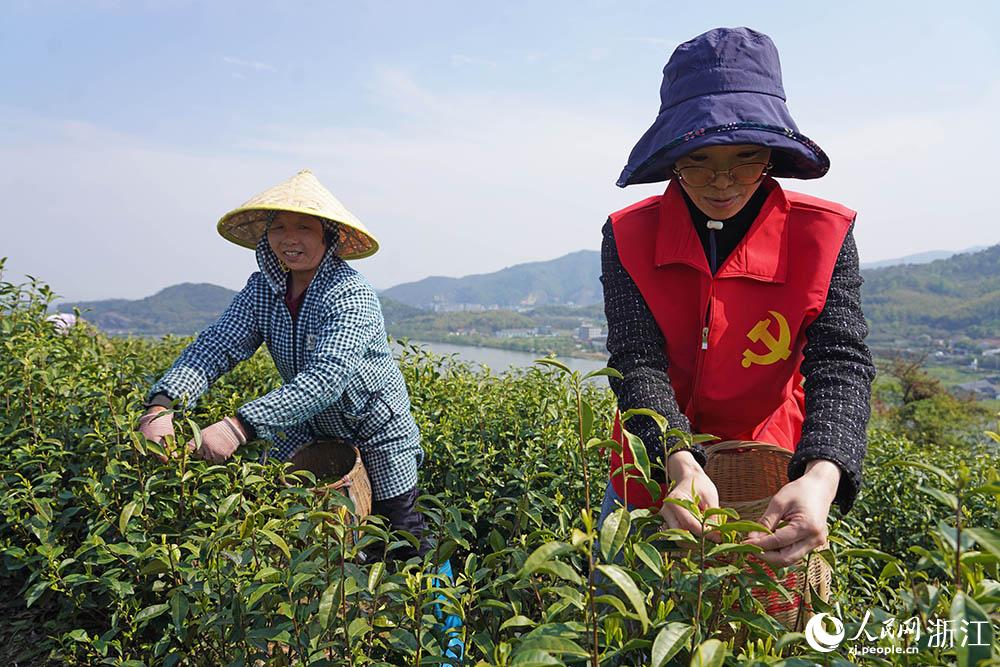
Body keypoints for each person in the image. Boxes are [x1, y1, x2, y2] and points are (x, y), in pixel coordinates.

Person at [136, 169, 463, 659]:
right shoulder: (261, 290)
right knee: (319, 539)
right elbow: (217, 346)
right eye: (279, 227)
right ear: (265, 236)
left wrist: (237, 426)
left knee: (404, 537)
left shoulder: (350, 294)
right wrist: (163, 403)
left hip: (377, 431)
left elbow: (328, 377)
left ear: (329, 237)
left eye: (304, 228)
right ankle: (352, 640)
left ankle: (446, 646)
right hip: (310, 430)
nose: (290, 239)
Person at [599, 27, 876, 569]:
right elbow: (636, 360)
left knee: (769, 626)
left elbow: (840, 361)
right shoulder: (628, 235)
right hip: (652, 456)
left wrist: (823, 473)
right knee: (623, 614)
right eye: (698, 159)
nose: (721, 182)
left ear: (771, 153)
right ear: (672, 156)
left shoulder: (823, 235)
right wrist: (676, 457)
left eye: (745, 158)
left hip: (772, 466)